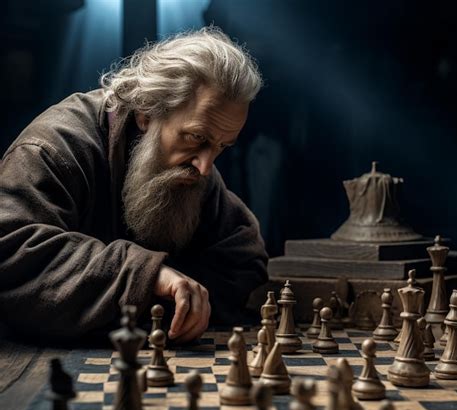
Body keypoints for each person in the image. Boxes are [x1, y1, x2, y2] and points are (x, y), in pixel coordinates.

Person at [0, 27, 268, 344]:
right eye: (196, 137)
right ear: (146, 114)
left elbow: (243, 261)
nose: (206, 166)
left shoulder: (194, 167)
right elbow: (11, 252)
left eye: (222, 146)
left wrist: (176, 301)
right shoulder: (53, 148)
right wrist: (149, 277)